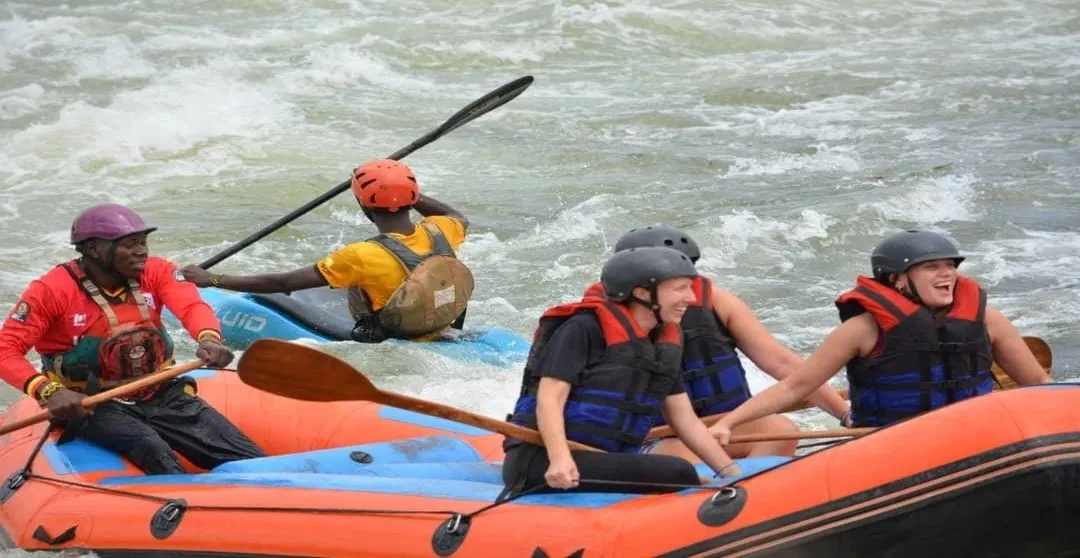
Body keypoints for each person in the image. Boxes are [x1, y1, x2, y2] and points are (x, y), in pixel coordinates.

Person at [709, 229, 1051, 443]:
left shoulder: (988, 321)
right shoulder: (862, 330)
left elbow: (1035, 380)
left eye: (950, 266)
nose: (946, 274)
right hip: (887, 443)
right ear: (897, 280)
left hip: (975, 435)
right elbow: (796, 387)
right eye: (931, 267)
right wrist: (729, 423)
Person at [0, 204, 266, 475]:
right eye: (130, 244)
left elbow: (191, 307)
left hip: (158, 390)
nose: (142, 251)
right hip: (92, 403)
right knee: (151, 447)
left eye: (143, 242)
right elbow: (5, 349)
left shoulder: (157, 271)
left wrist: (209, 339)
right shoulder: (52, 290)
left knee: (247, 456)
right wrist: (48, 391)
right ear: (93, 249)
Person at [581, 226, 851, 460]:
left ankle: (753, 494)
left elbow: (782, 364)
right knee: (687, 457)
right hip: (652, 439)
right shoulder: (600, 323)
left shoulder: (717, 301)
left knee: (779, 430)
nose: (685, 291)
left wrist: (845, 416)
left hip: (720, 425)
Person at [501, 246, 742, 496]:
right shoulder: (583, 328)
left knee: (687, 476)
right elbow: (550, 398)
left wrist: (732, 473)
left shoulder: (660, 343)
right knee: (678, 471)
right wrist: (560, 459)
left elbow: (685, 420)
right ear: (642, 293)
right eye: (680, 288)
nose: (691, 298)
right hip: (541, 460)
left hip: (601, 458)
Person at [181, 159, 474, 343]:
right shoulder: (443, 229)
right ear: (412, 198)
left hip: (390, 336)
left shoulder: (360, 256)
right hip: (439, 326)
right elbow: (456, 215)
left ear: (363, 206)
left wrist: (213, 279)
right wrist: (404, 191)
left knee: (350, 281)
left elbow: (282, 284)